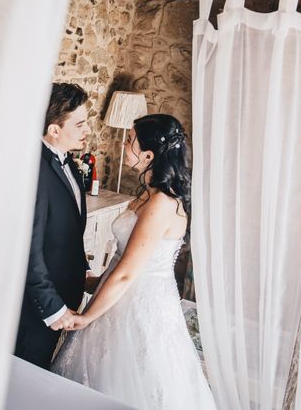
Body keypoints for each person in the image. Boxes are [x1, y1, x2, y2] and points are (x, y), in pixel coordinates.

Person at [52, 114, 216, 409]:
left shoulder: (162, 204)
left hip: (139, 305)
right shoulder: (148, 194)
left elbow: (127, 273)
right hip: (118, 297)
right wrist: (89, 280)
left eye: (130, 141)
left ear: (148, 155)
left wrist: (86, 318)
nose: (124, 145)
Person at [14, 82, 91, 369]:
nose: (87, 130)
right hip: (36, 309)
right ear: (54, 129)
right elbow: (27, 250)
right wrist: (52, 307)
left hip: (63, 296)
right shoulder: (33, 170)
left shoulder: (69, 163)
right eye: (80, 124)